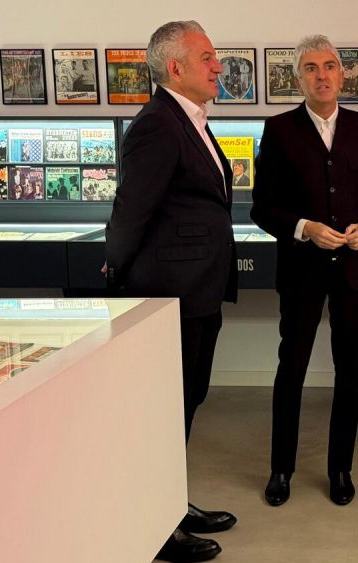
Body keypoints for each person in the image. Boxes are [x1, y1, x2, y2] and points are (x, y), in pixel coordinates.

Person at [104, 20, 238, 563]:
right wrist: (118, 277)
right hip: (168, 296)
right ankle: (158, 528)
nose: (218, 66)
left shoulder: (189, 119)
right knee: (165, 411)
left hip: (197, 291)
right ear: (175, 67)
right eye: (207, 57)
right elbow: (131, 210)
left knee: (186, 401)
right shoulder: (158, 124)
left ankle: (172, 505)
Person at [252, 34, 358, 509]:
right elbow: (262, 208)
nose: (321, 75)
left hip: (355, 270)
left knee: (350, 371)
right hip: (301, 271)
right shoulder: (279, 130)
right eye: (310, 68)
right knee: (291, 368)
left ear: (342, 74)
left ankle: (340, 469)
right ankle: (281, 469)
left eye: (329, 66)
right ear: (298, 80)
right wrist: (304, 228)